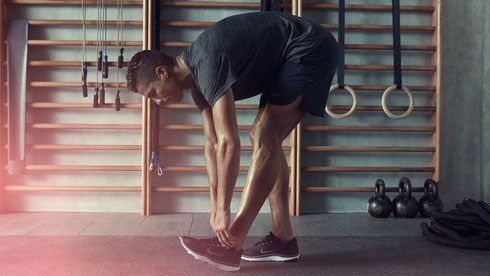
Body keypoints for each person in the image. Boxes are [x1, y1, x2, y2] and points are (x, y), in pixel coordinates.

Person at [126, 11, 338, 271]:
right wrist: (215, 206)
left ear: (162, 73)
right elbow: (212, 145)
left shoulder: (207, 61)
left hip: (309, 46)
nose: (158, 102)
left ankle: (231, 244)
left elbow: (229, 143)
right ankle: (283, 239)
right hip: (285, 59)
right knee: (266, 137)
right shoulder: (197, 83)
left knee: (264, 134)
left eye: (153, 94)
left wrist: (225, 210)